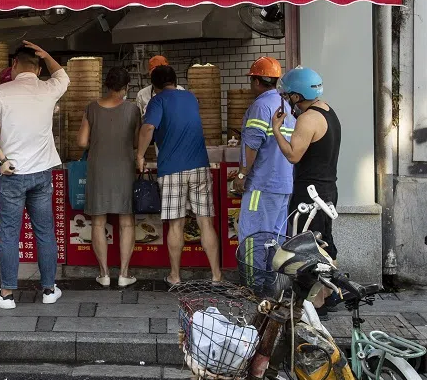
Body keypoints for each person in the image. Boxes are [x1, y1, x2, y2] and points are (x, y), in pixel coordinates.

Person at [0, 41, 69, 309]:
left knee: (8, 234)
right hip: (42, 173)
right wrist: (46, 53)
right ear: (38, 68)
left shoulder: (2, 91)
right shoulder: (48, 89)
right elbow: (63, 75)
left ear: (13, 65)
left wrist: (2, 158)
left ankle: (6, 294)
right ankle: (49, 290)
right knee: (45, 232)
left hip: (12, 173)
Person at [136, 65, 222, 285]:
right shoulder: (191, 98)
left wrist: (139, 155)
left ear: (154, 86)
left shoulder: (158, 100)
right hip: (199, 167)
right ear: (175, 80)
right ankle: (216, 276)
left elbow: (147, 129)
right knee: (206, 222)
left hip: (172, 169)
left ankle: (175, 276)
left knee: (176, 224)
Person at [231, 58, 296, 288]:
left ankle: (252, 285)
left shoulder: (261, 106)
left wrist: (242, 174)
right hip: (283, 185)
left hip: (262, 185)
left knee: (252, 237)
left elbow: (253, 143)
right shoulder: (286, 106)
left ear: (257, 81)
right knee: (274, 238)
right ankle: (271, 285)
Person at [77, 66, 140, 288]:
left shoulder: (91, 108)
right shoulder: (133, 110)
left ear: (106, 85)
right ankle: (124, 274)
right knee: (126, 221)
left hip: (98, 168)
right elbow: (135, 142)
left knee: (98, 221)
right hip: (124, 167)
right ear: (126, 87)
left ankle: (103, 274)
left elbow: (82, 142)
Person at [272, 67, 342, 260]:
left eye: (287, 95)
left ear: (296, 96)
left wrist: (276, 131)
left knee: (307, 251)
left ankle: (321, 290)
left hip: (309, 193)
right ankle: (331, 290)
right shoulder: (328, 110)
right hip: (328, 189)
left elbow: (293, 156)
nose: (286, 99)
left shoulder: (307, 119)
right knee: (324, 245)